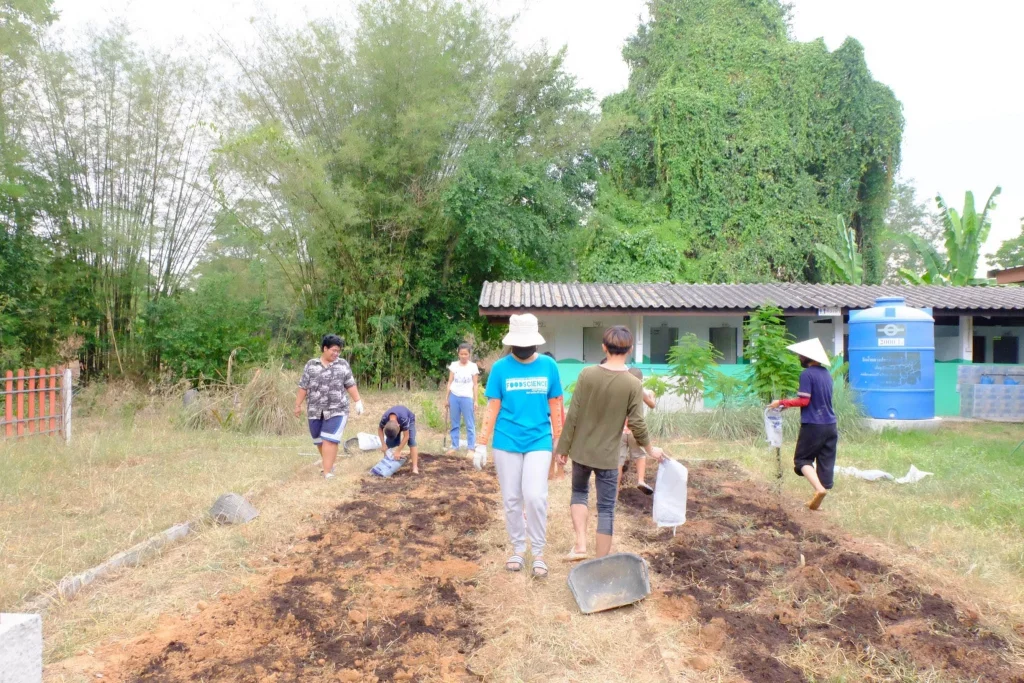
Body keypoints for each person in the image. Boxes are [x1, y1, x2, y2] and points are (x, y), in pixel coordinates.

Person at [556, 326, 664, 560]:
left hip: (582, 451)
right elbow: (637, 423)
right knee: (606, 509)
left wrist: (562, 448)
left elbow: (573, 414)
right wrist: (650, 449)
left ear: (604, 347)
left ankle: (580, 546)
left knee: (579, 493)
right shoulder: (632, 384)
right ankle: (600, 563)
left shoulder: (587, 374)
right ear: (630, 350)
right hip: (608, 456)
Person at [475, 314, 563, 579]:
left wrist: (560, 441)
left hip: (539, 439)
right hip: (506, 440)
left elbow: (556, 403)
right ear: (511, 343)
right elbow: (492, 407)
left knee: (535, 496)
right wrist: (481, 443)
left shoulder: (549, 366)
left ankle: (538, 552)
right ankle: (517, 548)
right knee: (512, 498)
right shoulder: (501, 369)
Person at [768, 338, 837, 511]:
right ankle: (820, 495)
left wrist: (781, 402)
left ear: (808, 357)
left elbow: (804, 401)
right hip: (830, 424)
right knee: (825, 461)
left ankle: (819, 490)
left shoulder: (807, 374)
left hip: (813, 424)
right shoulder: (826, 374)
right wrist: (787, 405)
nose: (799, 357)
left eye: (800, 355)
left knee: (802, 460)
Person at [295, 334, 364, 480]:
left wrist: (358, 401)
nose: (336, 353)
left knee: (329, 439)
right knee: (319, 439)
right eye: (333, 350)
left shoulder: (342, 364)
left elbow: (350, 384)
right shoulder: (311, 365)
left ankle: (327, 472)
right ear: (324, 349)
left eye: (338, 351)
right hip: (315, 410)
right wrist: (298, 405)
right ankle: (329, 464)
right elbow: (303, 386)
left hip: (337, 409)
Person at [618, 367, 658, 495]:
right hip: (635, 430)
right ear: (640, 380)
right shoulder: (640, 390)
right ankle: (640, 480)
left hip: (619, 431)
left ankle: (615, 490)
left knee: (618, 460)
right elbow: (652, 404)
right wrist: (652, 395)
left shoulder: (619, 389)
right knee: (640, 455)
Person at [445, 343, 479, 456]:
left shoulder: (473, 367)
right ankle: (454, 446)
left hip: (467, 397)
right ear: (458, 354)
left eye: (466, 354)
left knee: (470, 423)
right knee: (454, 423)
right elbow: (450, 382)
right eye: (461, 354)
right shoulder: (454, 365)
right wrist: (447, 398)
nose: (463, 356)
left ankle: (471, 447)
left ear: (469, 354)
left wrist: (476, 400)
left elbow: (475, 385)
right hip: (454, 396)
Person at [378, 406, 419, 474]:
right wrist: (383, 444)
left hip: (409, 419)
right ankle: (386, 463)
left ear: (399, 425)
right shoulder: (384, 418)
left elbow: (406, 436)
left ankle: (415, 467)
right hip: (395, 424)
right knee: (389, 443)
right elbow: (380, 429)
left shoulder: (404, 419)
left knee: (411, 441)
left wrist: (398, 451)